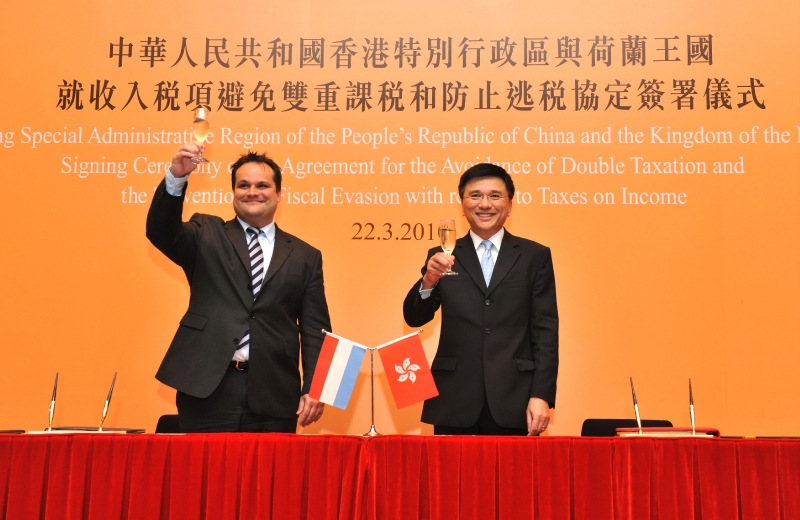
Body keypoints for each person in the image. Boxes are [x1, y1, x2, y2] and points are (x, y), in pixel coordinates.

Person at [146, 142, 331, 433]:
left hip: (275, 392)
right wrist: (176, 177)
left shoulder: (306, 256)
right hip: (206, 387)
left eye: (262, 185)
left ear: (279, 194)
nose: (252, 191)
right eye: (243, 185)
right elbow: (161, 232)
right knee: (206, 477)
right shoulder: (205, 233)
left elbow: (314, 329)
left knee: (269, 479)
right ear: (233, 193)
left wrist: (317, 387)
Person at [403, 163, 558, 435]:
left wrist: (541, 395)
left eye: (495, 196)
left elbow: (545, 332)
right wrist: (428, 281)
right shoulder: (442, 254)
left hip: (515, 399)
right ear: (461, 203)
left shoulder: (534, 256)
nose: (484, 204)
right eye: (475, 195)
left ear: (510, 205)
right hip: (453, 398)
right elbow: (415, 317)